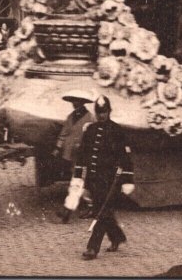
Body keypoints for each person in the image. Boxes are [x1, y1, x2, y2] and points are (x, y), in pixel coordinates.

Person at [72, 95, 134, 260]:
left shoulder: (117, 130)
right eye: (99, 113)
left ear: (109, 112)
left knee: (101, 211)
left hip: (110, 180)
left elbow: (125, 157)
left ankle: (92, 248)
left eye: (104, 112)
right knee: (104, 211)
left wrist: (127, 180)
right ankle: (117, 237)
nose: (102, 116)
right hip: (93, 178)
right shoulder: (90, 130)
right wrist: (79, 178)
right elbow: (82, 156)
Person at [54, 90, 96, 223]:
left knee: (78, 181)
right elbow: (64, 133)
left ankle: (68, 209)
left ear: (82, 103)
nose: (74, 103)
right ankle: (87, 206)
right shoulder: (70, 117)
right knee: (78, 180)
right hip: (70, 154)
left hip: (84, 154)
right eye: (72, 101)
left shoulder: (90, 118)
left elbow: (93, 137)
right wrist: (58, 147)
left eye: (76, 101)